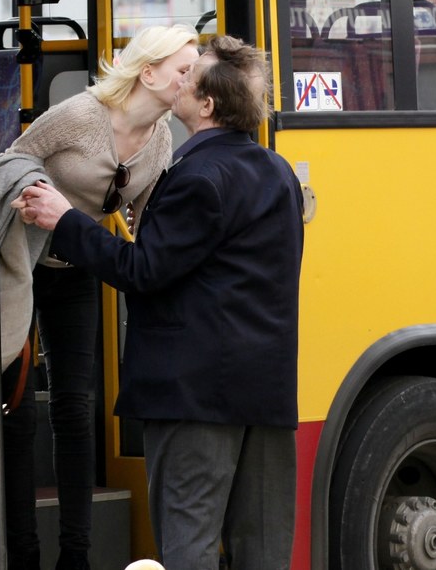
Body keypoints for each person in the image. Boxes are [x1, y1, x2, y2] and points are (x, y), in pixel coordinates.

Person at [16, 35, 304, 570]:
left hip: (194, 397)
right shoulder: (278, 173)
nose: (182, 81)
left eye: (191, 78)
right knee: (261, 549)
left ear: (207, 105)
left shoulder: (196, 176)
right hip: (267, 393)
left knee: (188, 543)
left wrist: (66, 219)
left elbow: (141, 270)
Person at [0, 24, 201, 570]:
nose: (191, 79)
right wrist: (34, 199)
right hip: (22, 268)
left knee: (75, 406)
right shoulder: (81, 116)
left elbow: (149, 210)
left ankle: (76, 556)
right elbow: (14, 159)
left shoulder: (159, 135)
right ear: (149, 70)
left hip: (78, 269)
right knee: (16, 410)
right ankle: (22, 555)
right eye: (183, 69)